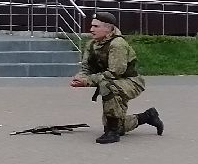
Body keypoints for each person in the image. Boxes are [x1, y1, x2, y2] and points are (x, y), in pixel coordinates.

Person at [70, 10, 163, 144]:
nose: (91, 29)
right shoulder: (91, 44)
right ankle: (147, 117)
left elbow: (114, 73)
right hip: (113, 81)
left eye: (96, 26)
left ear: (108, 29)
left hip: (130, 82)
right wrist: (79, 78)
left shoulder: (117, 44)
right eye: (91, 26)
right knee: (117, 124)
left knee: (107, 85)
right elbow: (87, 67)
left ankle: (112, 133)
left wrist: (87, 81)